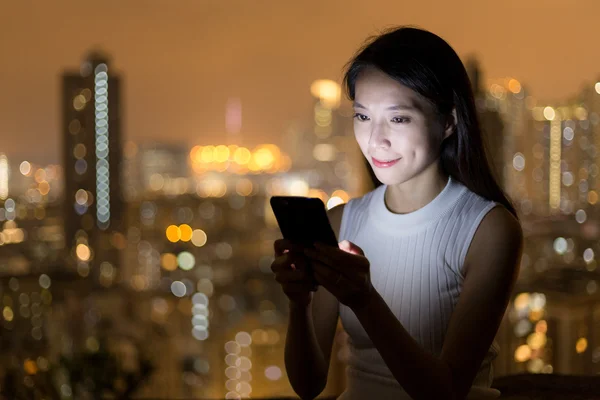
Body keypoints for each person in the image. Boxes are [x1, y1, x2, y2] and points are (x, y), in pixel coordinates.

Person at [271, 26, 523, 400]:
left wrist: (365, 300)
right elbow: (309, 384)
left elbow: (445, 390)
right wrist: (299, 304)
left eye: (399, 118)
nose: (376, 140)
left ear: (449, 121)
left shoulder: (488, 230)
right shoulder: (343, 222)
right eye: (362, 117)